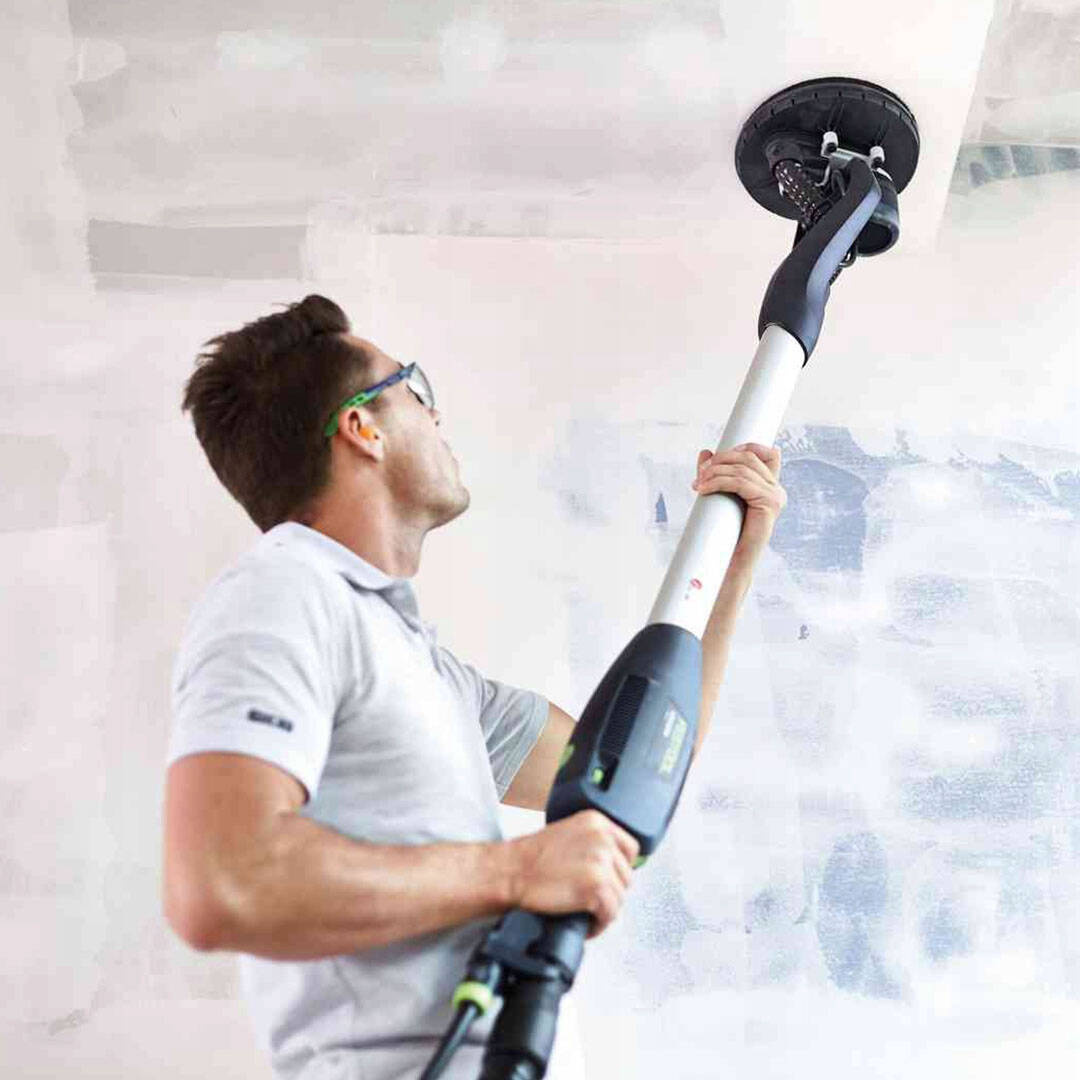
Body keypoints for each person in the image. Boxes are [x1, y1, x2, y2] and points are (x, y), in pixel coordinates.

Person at [162, 294, 786, 1079]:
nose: (436, 413)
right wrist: (516, 871)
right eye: (414, 388)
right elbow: (222, 882)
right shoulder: (283, 594)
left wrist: (731, 565)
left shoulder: (427, 671)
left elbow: (641, 773)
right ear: (362, 428)